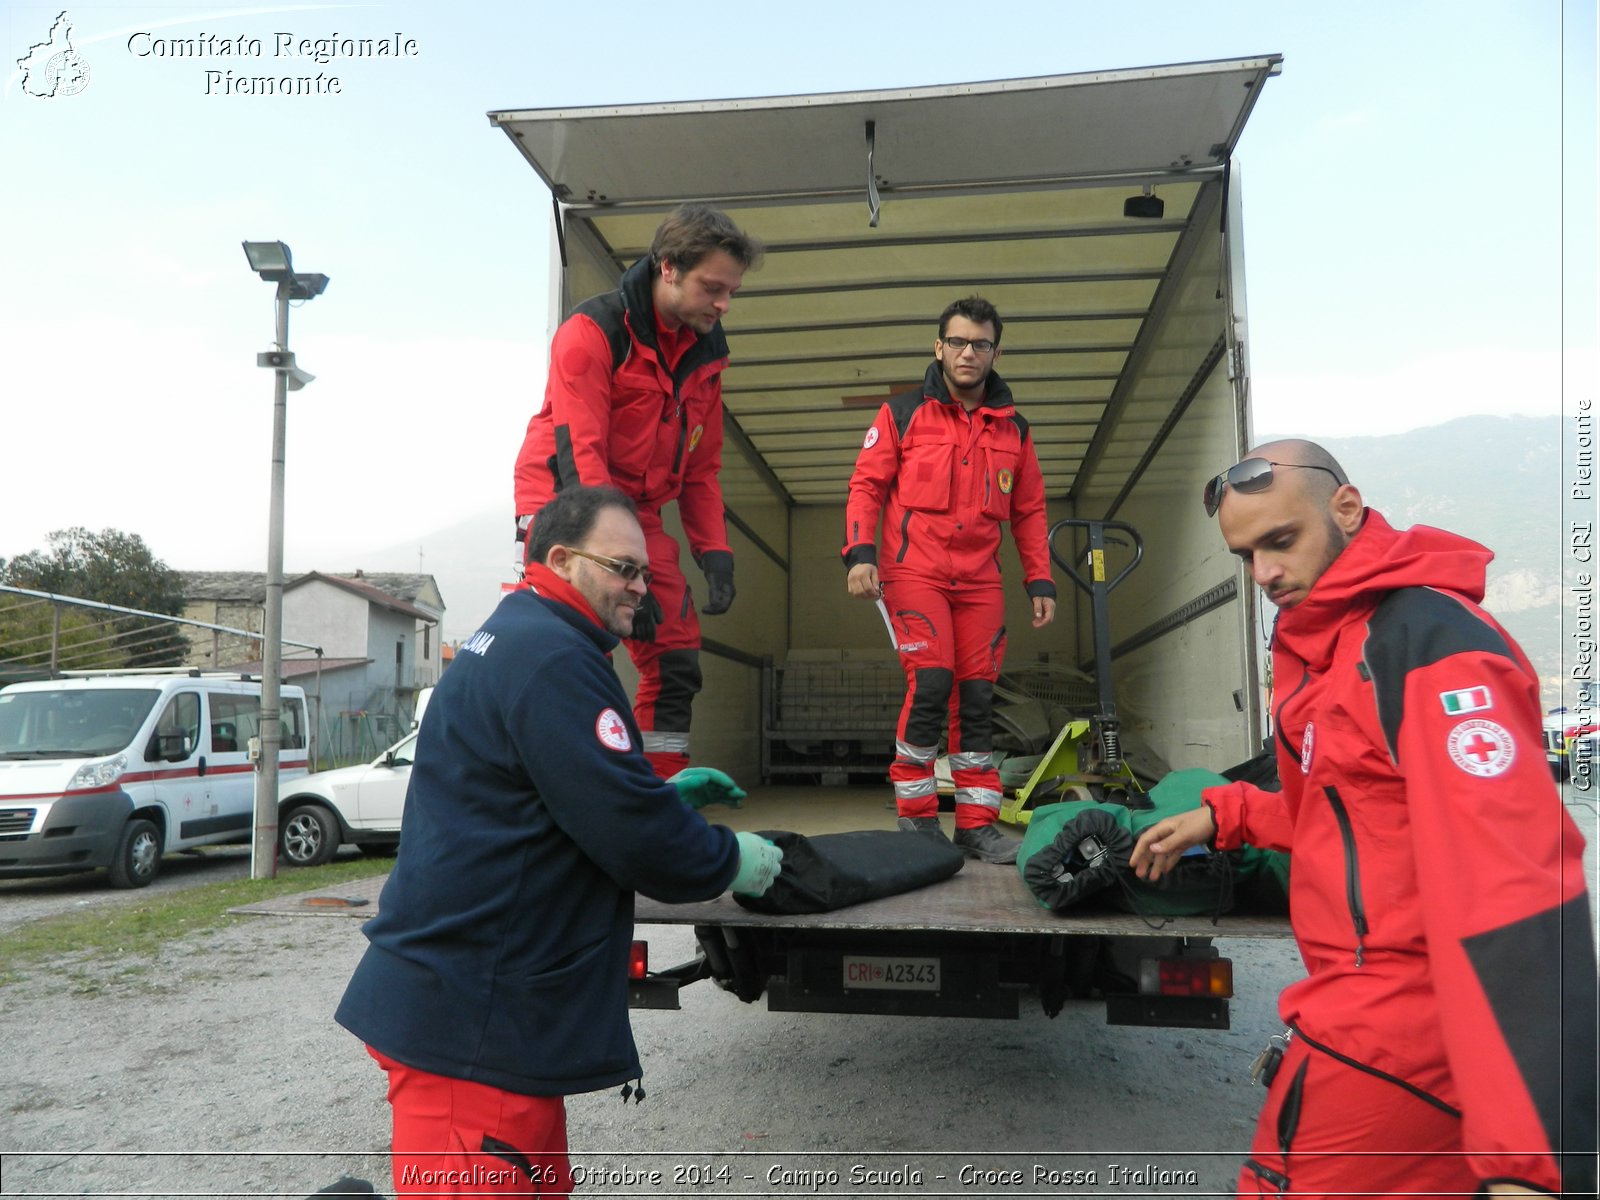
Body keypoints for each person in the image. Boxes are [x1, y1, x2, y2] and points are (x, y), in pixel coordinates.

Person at [1129, 441, 1596, 1198]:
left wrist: (1531, 1158)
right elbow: (1358, 819)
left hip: (1402, 1044)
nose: (1265, 574)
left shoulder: (1425, 648)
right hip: (1358, 1024)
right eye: (1246, 556)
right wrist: (1229, 813)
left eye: (1281, 542)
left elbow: (1513, 888)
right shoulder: (1328, 644)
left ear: (1345, 509)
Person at [336, 485, 783, 1198]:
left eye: (643, 571)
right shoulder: (553, 659)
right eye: (623, 568)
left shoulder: (519, 635)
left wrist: (652, 796)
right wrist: (732, 859)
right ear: (560, 558)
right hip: (473, 1033)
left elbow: (553, 798)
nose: (641, 586)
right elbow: (639, 843)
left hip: (489, 1021)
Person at [514, 203, 763, 779]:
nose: (724, 304)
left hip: (638, 511)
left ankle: (664, 794)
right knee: (576, 643)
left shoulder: (706, 355)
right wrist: (618, 566)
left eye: (732, 292)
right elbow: (584, 458)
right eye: (713, 287)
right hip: (564, 503)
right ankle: (565, 786)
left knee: (676, 658)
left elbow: (701, 468)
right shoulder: (592, 334)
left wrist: (715, 553)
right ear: (668, 268)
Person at [842, 296, 1057, 864]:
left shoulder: (1015, 428)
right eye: (958, 342)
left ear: (995, 352)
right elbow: (866, 485)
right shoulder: (904, 413)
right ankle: (916, 820)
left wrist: (1041, 579)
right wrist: (860, 554)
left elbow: (1029, 510)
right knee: (933, 682)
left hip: (980, 581)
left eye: (980, 344)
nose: (968, 352)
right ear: (939, 348)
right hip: (913, 571)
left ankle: (976, 824)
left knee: (978, 697)